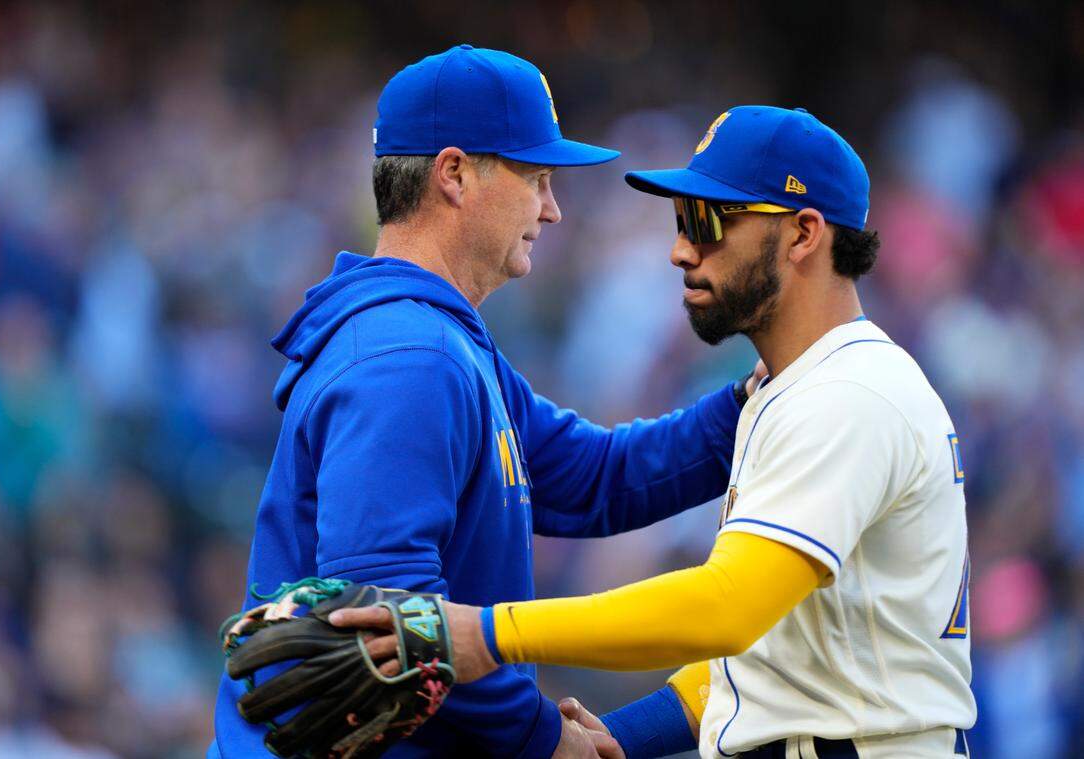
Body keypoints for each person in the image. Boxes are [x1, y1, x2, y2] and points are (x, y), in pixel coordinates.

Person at [338, 106, 976, 758]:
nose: (680, 249)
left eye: (707, 221)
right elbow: (775, 656)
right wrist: (620, 736)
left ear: (804, 234)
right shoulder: (801, 388)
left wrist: (490, 634)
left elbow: (724, 607)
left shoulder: (847, 395)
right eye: (681, 222)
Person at [211, 47, 758, 758]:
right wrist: (537, 735)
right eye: (535, 177)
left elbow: (595, 478)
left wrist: (753, 404)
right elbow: (391, 622)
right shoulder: (408, 358)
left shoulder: (440, 341)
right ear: (455, 174)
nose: (554, 209)